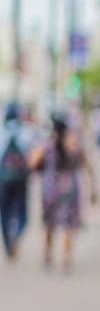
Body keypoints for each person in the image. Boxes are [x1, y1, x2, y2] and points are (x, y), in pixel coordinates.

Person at [30, 111, 95, 271]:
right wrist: (93, 187)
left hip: (50, 189)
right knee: (68, 224)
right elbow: (87, 164)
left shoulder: (47, 144)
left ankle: (48, 252)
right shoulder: (73, 144)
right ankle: (66, 257)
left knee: (49, 223)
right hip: (69, 188)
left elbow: (32, 163)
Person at [1, 103, 36, 263]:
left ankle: (8, 241)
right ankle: (17, 231)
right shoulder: (26, 132)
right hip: (21, 180)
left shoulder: (2, 132)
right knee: (22, 212)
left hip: (4, 180)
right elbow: (32, 158)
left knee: (5, 211)